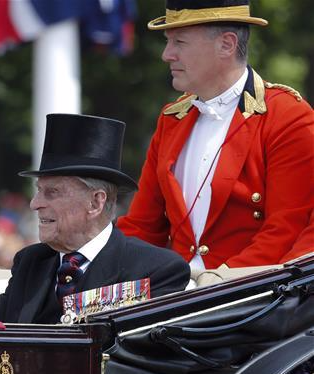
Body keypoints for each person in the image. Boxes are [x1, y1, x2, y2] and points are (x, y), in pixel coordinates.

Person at [117, 0, 314, 270]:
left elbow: (285, 230)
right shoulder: (171, 118)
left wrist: (219, 284)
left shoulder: (287, 115)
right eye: (168, 41)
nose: (167, 54)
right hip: (174, 297)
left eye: (179, 42)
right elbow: (141, 227)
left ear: (227, 44)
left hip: (250, 299)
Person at [0, 114, 190, 324]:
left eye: (52, 192)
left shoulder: (154, 270)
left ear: (95, 202)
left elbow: (142, 353)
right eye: (39, 191)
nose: (34, 203)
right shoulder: (30, 262)